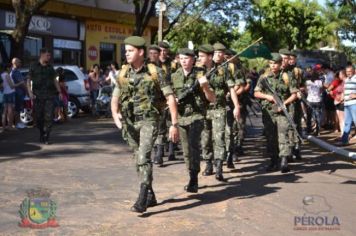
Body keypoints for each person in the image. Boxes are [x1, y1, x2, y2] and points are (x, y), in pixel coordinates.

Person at [111, 36, 179, 213]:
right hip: (130, 122)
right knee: (138, 160)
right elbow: (115, 96)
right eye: (125, 51)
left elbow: (170, 97)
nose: (127, 54)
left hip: (149, 119)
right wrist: (115, 114)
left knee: (144, 157)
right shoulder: (124, 72)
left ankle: (142, 198)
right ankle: (151, 194)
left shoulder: (155, 72)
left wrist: (174, 124)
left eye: (130, 50)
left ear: (141, 52)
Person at [171, 48, 216, 192]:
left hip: (197, 115)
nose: (184, 61)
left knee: (193, 145)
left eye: (187, 58)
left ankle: (194, 178)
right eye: (181, 58)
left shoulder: (201, 74)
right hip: (182, 116)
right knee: (185, 150)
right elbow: (169, 96)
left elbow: (212, 99)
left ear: (193, 60)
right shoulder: (174, 76)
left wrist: (205, 86)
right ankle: (191, 175)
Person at [199, 43, 240, 181]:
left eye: (221, 53)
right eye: (217, 53)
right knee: (205, 139)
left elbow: (232, 89)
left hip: (219, 108)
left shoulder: (224, 70)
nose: (219, 55)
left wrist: (236, 106)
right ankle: (208, 163)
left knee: (219, 138)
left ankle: (219, 167)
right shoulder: (198, 70)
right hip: (203, 110)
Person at [254, 53, 298, 173]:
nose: (273, 66)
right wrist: (268, 97)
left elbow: (294, 94)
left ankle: (284, 161)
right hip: (268, 111)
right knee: (270, 137)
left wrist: (284, 104)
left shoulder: (287, 76)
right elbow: (256, 93)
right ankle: (273, 161)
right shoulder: (264, 77)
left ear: (280, 64)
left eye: (276, 64)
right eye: (271, 63)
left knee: (283, 135)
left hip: (283, 111)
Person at [27, 48, 62, 144]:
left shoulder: (50, 67)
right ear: (42, 55)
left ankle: (47, 136)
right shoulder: (33, 66)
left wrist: (59, 92)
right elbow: (29, 80)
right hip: (37, 96)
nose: (49, 57)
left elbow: (55, 80)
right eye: (47, 55)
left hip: (49, 95)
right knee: (39, 117)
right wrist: (30, 92)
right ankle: (42, 133)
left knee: (49, 117)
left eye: (50, 55)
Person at [339, 65, 356, 145]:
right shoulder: (346, 80)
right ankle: (344, 141)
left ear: (354, 71)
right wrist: (343, 97)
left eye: (350, 71)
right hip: (347, 104)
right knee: (347, 122)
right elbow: (345, 90)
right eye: (347, 71)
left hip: (354, 104)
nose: (348, 73)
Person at [2, 63, 21, 131]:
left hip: (5, 93)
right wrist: (20, 83)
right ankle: (10, 126)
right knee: (10, 110)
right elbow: (12, 86)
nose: (11, 69)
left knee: (5, 111)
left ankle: (4, 126)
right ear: (7, 68)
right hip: (10, 93)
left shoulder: (2, 75)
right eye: (11, 68)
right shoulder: (7, 75)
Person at [305, 70, 323, 135]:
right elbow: (321, 90)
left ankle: (308, 129)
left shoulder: (307, 82)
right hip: (318, 100)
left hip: (309, 100)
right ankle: (318, 130)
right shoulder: (320, 82)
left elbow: (306, 91)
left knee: (309, 116)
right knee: (317, 115)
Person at [328, 70, 346, 138]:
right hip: (338, 101)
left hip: (341, 102)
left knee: (342, 119)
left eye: (340, 75)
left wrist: (341, 98)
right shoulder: (341, 82)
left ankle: (344, 134)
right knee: (340, 118)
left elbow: (344, 91)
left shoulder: (343, 82)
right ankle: (342, 133)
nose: (339, 76)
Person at [10, 58, 27, 129]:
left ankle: (19, 122)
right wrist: (27, 91)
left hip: (20, 92)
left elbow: (23, 80)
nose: (20, 63)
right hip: (17, 93)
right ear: (15, 63)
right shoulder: (14, 72)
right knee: (17, 108)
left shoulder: (17, 71)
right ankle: (17, 123)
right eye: (19, 62)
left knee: (19, 108)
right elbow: (22, 83)